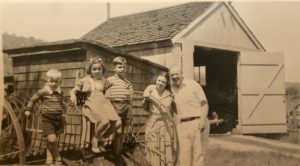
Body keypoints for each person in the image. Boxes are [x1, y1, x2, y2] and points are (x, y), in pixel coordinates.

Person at [69, 58, 121, 153]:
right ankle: (95, 139)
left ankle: (102, 138)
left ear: (102, 70)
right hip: (92, 103)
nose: (97, 71)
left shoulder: (104, 80)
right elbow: (74, 90)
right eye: (94, 69)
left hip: (104, 103)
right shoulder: (85, 80)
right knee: (105, 121)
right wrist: (73, 95)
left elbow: (108, 93)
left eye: (99, 69)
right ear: (90, 70)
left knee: (118, 123)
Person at [168, 66, 210, 166]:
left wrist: (203, 120)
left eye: (176, 74)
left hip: (197, 122)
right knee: (183, 155)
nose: (174, 77)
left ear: (181, 73)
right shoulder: (171, 89)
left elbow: (204, 104)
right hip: (182, 125)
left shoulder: (193, 84)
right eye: (172, 75)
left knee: (198, 153)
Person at [25, 69, 65, 166]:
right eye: (51, 81)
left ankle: (49, 160)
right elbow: (33, 99)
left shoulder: (60, 91)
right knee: (52, 139)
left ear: (60, 82)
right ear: (46, 81)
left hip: (58, 119)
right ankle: (58, 158)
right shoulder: (43, 91)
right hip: (47, 120)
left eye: (56, 82)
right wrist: (28, 109)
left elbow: (59, 103)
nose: (53, 84)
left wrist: (63, 110)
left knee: (51, 142)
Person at [142, 72, 177, 166]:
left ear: (166, 84)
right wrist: (147, 94)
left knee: (165, 146)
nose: (160, 83)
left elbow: (165, 108)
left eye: (163, 82)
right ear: (155, 81)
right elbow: (144, 97)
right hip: (152, 122)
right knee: (152, 145)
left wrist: (152, 98)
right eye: (159, 81)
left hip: (164, 123)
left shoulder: (168, 94)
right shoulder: (151, 89)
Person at [105, 56, 133, 156]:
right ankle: (115, 152)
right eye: (119, 67)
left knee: (122, 130)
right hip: (114, 105)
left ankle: (118, 152)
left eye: (124, 67)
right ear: (114, 68)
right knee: (118, 129)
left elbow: (130, 97)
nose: (122, 69)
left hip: (125, 106)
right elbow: (104, 92)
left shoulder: (127, 82)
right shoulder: (110, 80)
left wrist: (130, 108)